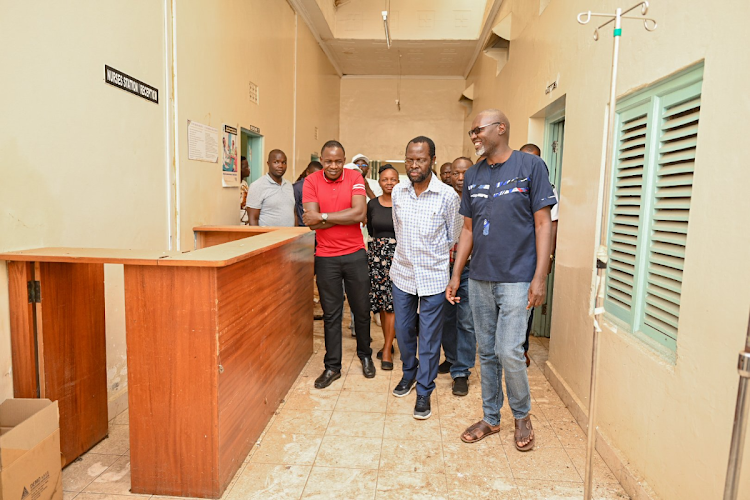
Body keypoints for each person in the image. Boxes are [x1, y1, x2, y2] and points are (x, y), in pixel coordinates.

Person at [447, 109, 556, 451]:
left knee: (510, 350)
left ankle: (521, 415)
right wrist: (456, 274)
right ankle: (491, 418)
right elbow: (467, 230)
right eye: (471, 132)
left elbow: (543, 224)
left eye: (478, 130)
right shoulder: (475, 175)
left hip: (517, 277)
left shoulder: (530, 166)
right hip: (480, 278)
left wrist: (540, 276)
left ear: (501, 128)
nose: (474, 136)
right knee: (488, 352)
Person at [390, 136, 461, 420]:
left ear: (432, 159)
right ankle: (409, 373)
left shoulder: (448, 196)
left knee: (430, 338)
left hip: (433, 277)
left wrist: (432, 259)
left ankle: (424, 391)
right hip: (403, 273)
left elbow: (453, 236)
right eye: (409, 159)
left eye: (420, 159)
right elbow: (398, 229)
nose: (414, 165)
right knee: (404, 332)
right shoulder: (398, 192)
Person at [302, 140, 374, 388]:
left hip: (355, 254)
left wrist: (323, 216)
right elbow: (310, 224)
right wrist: (345, 215)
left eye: (338, 161)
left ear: (345, 160)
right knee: (332, 315)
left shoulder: (355, 176)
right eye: (329, 161)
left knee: (361, 310)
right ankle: (332, 367)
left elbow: (359, 214)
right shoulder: (311, 181)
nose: (334, 166)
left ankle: (365, 355)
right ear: (322, 160)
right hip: (325, 257)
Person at [519, 143, 560, 367]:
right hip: (511, 256)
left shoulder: (547, 188)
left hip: (533, 257)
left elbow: (552, 226)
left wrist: (548, 260)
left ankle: (522, 348)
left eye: (535, 159)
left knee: (527, 303)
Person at [440, 157, 476, 397]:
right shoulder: (444, 198)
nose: (460, 177)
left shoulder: (481, 199)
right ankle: (452, 358)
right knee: (445, 318)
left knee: (466, 321)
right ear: (450, 175)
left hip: (471, 270)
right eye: (456, 173)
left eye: (465, 172)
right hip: (442, 269)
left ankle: (461, 372)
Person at [366, 164, 399, 370]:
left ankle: (387, 347)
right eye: (385, 179)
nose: (389, 182)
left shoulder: (404, 203)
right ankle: (389, 342)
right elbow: (370, 229)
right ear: (379, 182)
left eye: (393, 179)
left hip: (399, 258)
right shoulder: (372, 204)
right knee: (383, 305)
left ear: (398, 181)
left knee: (394, 304)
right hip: (377, 258)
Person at [246, 150, 295, 226]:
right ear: (268, 164)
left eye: (284, 162)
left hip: (290, 236)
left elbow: (293, 213)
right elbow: (253, 219)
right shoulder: (257, 186)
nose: (280, 166)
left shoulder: (288, 185)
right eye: (276, 162)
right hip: (268, 236)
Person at [294, 161, 323, 226]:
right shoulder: (297, 187)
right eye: (314, 175)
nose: (316, 178)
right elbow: (294, 211)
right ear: (308, 173)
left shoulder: (321, 187)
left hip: (317, 226)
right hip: (302, 227)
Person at [240, 156, 250, 222]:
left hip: (246, 221)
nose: (249, 169)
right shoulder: (235, 186)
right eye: (246, 167)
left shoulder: (244, 183)